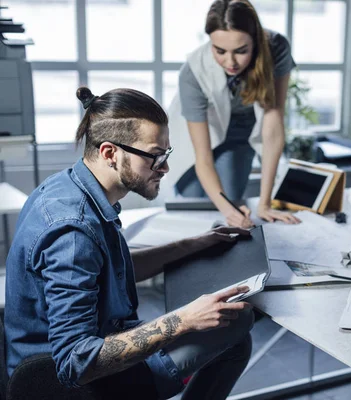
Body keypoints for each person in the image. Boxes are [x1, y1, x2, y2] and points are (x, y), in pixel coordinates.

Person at [4, 87, 255, 400]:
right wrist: (184, 321)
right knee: (238, 322)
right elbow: (76, 363)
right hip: (69, 383)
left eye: (166, 155)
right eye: (154, 156)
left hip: (87, 346)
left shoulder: (71, 188)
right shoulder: (72, 233)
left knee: (232, 332)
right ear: (111, 153)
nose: (164, 167)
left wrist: (195, 244)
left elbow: (110, 271)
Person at [169, 0, 301, 228]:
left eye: (241, 51)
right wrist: (227, 211)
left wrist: (265, 204)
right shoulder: (192, 72)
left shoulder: (276, 47)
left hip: (243, 131)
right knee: (193, 203)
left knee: (231, 198)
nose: (230, 62)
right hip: (201, 130)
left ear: (256, 40)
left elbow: (273, 124)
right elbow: (203, 157)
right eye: (219, 51)